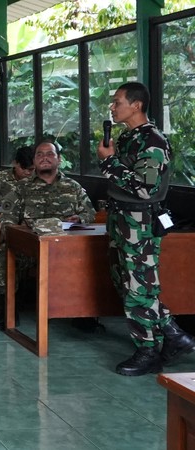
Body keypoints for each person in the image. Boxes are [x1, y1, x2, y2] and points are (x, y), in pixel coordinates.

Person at [97, 81, 195, 376]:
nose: (113, 108)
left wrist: (109, 162)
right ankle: (175, 336)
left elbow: (144, 188)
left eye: (117, 102)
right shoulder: (128, 138)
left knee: (140, 289)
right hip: (120, 220)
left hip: (139, 223)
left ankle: (148, 351)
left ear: (136, 105)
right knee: (127, 284)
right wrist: (112, 158)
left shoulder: (152, 140)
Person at [0, 139, 96, 331]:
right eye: (39, 155)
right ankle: (8, 310)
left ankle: (83, 313)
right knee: (2, 256)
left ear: (59, 159)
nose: (45, 158)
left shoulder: (73, 187)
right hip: (29, 247)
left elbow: (90, 213)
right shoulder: (21, 188)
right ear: (34, 161)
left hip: (64, 248)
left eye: (50, 154)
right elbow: (7, 218)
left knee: (91, 257)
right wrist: (17, 237)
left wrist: (80, 218)